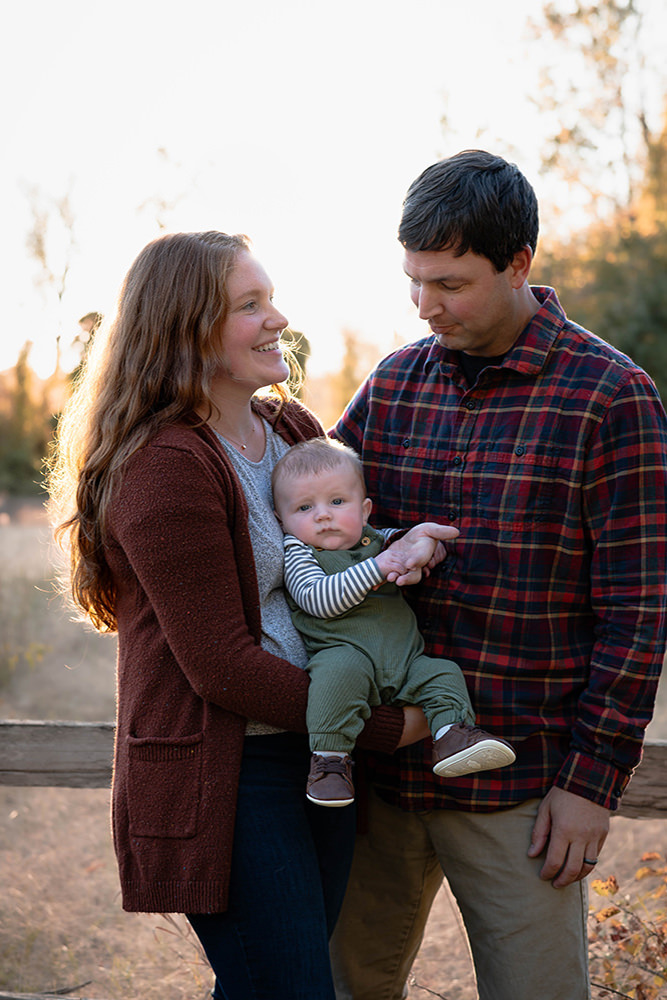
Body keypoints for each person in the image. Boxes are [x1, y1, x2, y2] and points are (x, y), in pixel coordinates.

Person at [48, 231, 453, 1000]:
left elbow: (344, 550)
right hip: (232, 777)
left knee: (265, 986)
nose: (278, 319)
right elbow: (221, 666)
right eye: (250, 305)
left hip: (315, 758)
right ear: (185, 327)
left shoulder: (291, 429)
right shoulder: (165, 465)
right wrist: (381, 728)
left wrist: (406, 549)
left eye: (270, 299)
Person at [329, 150, 667, 1000]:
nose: (424, 304)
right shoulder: (394, 384)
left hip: (519, 785)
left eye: (449, 283)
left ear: (519, 264)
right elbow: (316, 524)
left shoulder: (610, 397)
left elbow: (636, 610)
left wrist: (592, 783)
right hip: (380, 782)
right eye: (413, 281)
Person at [271, 436, 515, 807]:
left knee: (442, 673)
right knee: (334, 682)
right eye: (304, 507)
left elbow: (402, 545)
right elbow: (317, 599)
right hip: (345, 656)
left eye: (337, 502)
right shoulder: (299, 553)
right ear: (282, 521)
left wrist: (417, 546)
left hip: (406, 662)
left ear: (365, 510)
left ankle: (452, 734)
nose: (323, 515)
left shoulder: (376, 540)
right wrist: (379, 567)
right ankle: (330, 761)